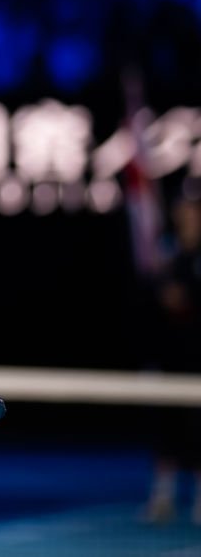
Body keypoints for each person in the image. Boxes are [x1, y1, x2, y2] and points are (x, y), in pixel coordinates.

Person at [142, 191, 201, 525]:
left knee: (198, 430)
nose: (186, 218)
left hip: (197, 363)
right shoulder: (165, 254)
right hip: (168, 361)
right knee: (166, 430)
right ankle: (163, 496)